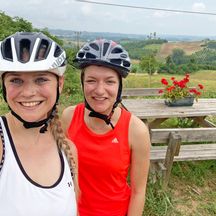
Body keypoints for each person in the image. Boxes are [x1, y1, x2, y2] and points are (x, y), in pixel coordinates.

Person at [61, 39, 150, 216]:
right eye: (91, 80)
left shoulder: (136, 130)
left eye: (109, 81)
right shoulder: (69, 117)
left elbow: (139, 192)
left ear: (119, 86)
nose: (100, 90)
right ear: (82, 83)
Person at [0, 32, 78, 216]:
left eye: (41, 79)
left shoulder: (68, 150)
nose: (28, 92)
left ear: (60, 84)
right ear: (4, 85)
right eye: (16, 80)